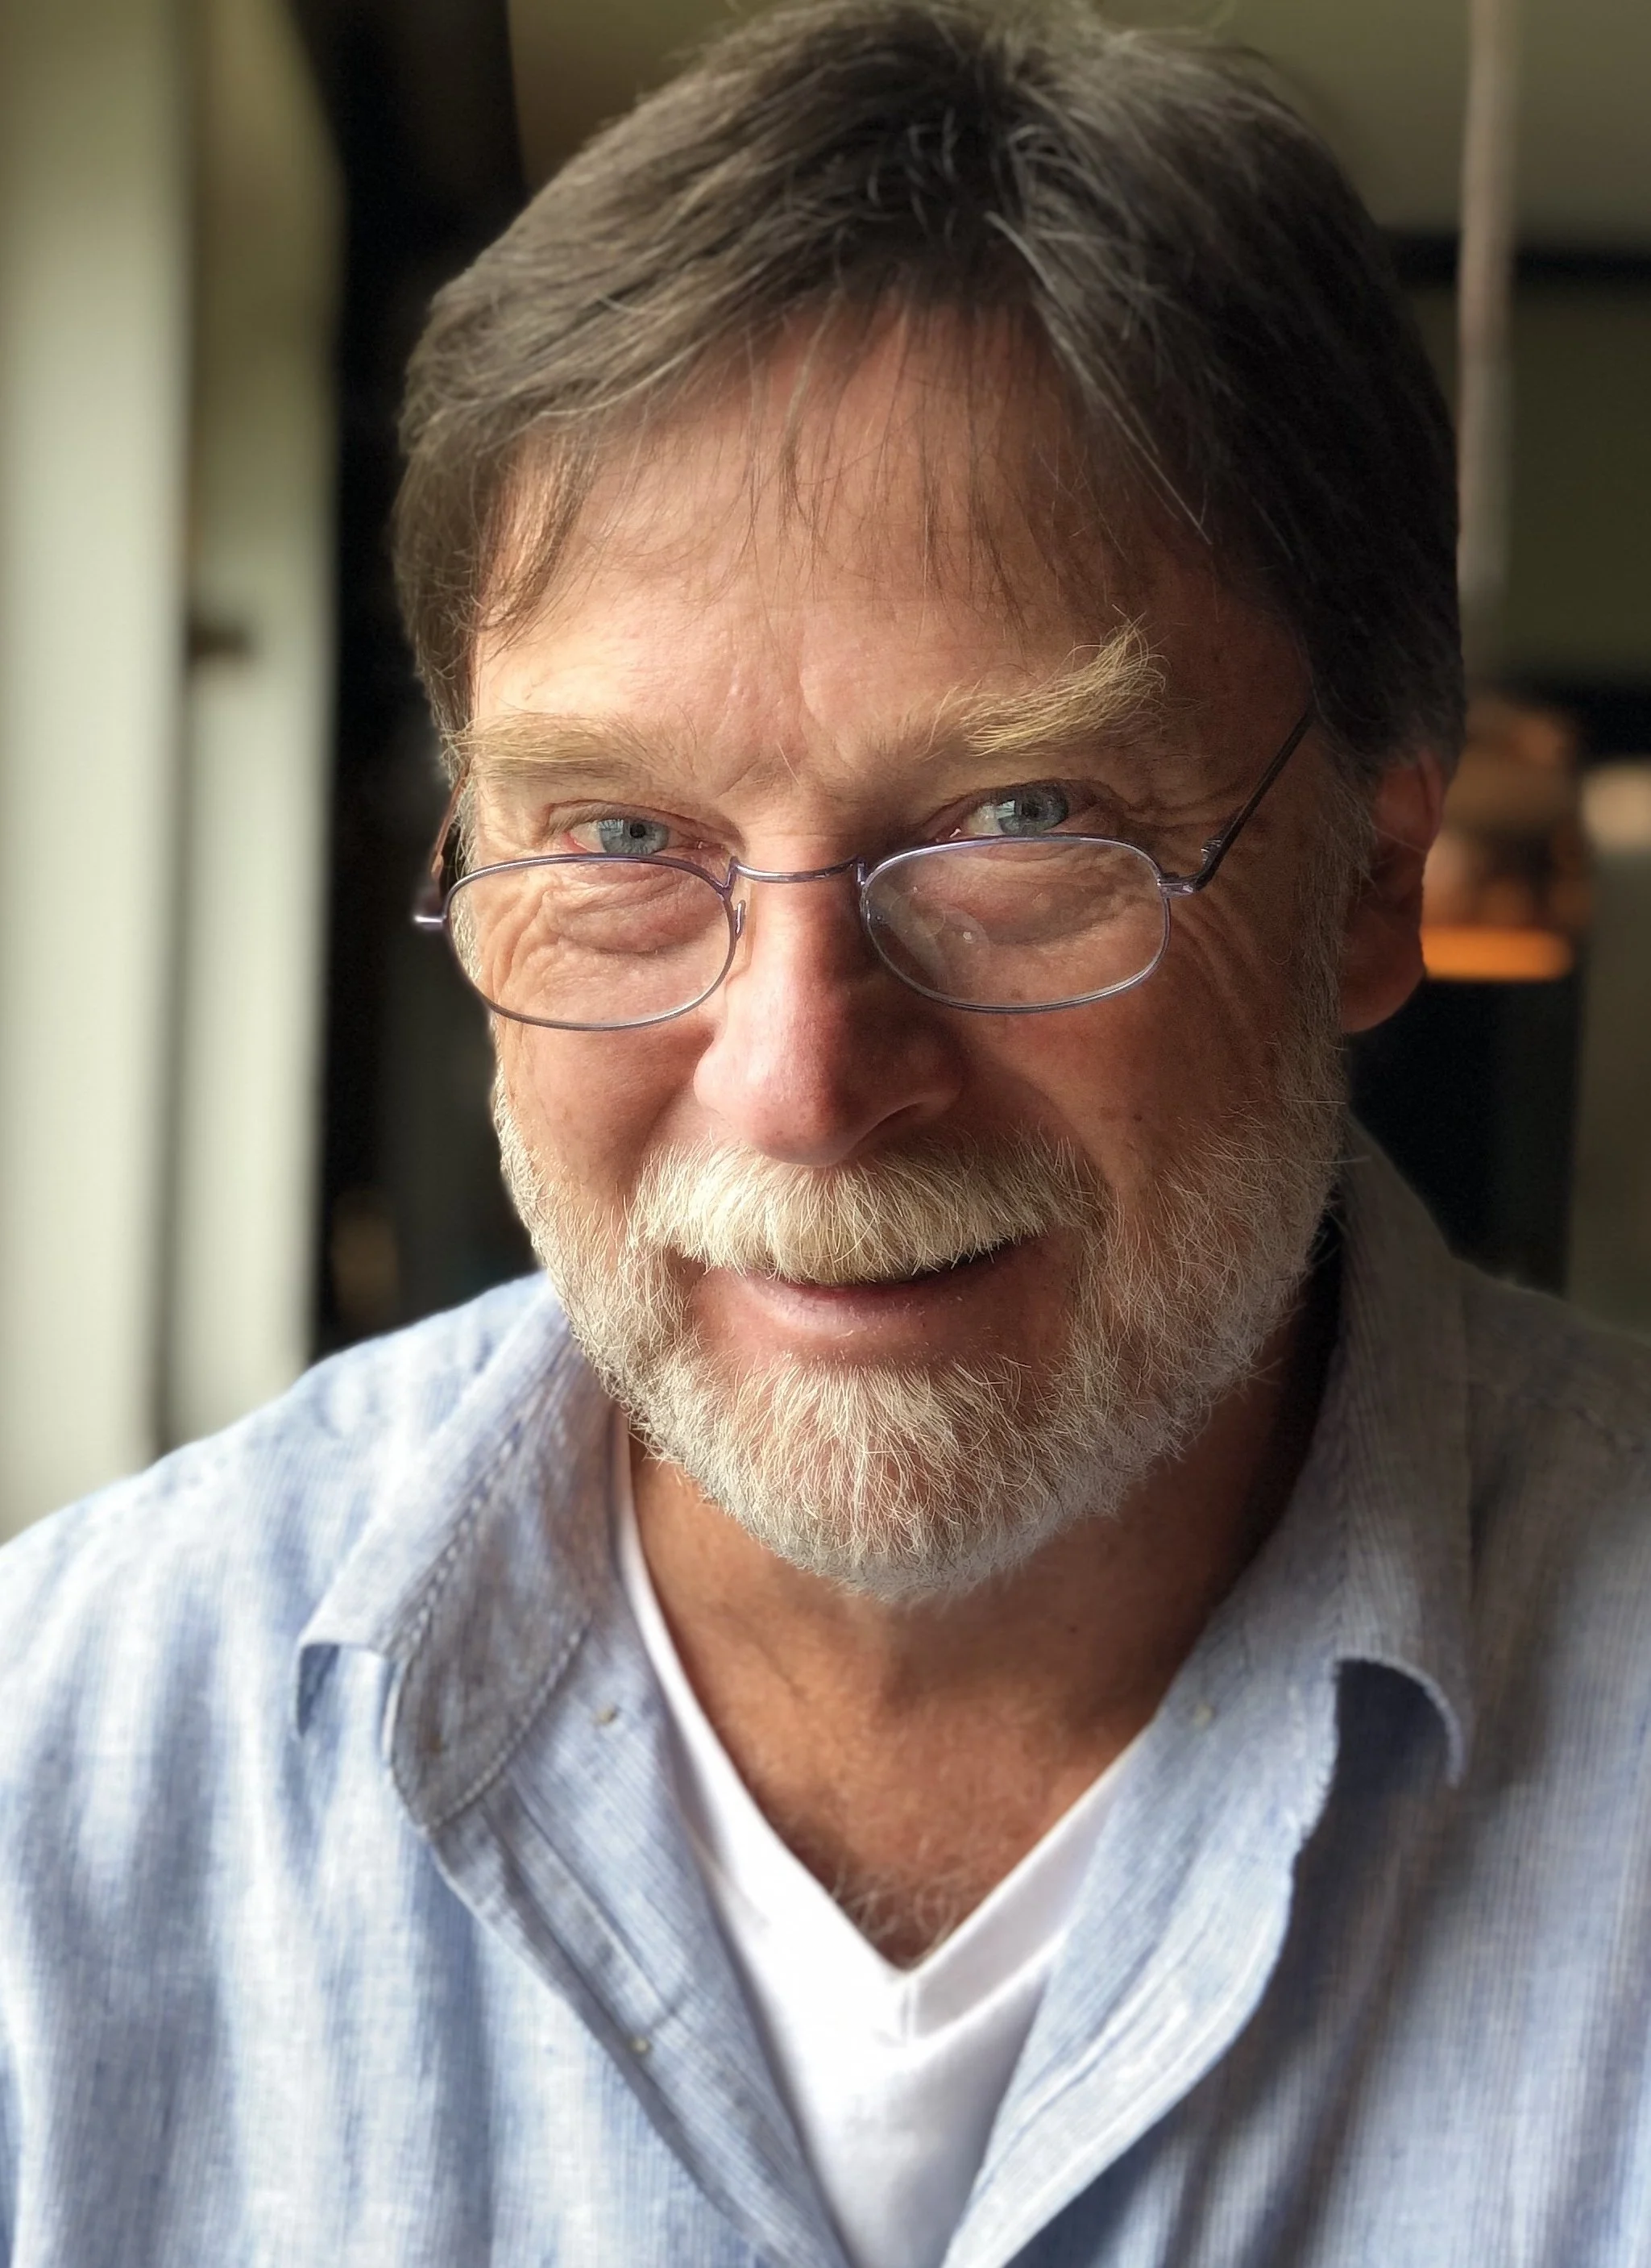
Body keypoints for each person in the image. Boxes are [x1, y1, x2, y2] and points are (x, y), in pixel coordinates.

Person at [2, 2, 1649, 2261]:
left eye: (1021, 822)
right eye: (615, 835)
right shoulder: (54, 1782)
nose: (797, 1075)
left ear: (1368, 886)